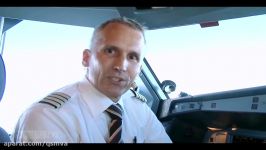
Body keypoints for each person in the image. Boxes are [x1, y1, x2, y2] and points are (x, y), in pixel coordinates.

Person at [11, 17, 172, 143]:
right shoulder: (47, 117)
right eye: (110, 51)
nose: (121, 66)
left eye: (132, 57)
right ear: (86, 58)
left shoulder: (137, 107)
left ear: (139, 69)